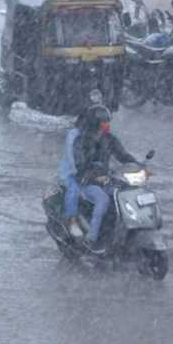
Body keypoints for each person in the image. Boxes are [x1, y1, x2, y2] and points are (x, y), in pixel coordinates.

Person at [73, 105, 138, 253]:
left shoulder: (110, 139)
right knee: (102, 199)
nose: (108, 125)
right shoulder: (81, 141)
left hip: (106, 180)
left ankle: (121, 235)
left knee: (127, 195)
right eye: (105, 122)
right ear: (95, 123)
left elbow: (123, 155)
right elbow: (79, 164)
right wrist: (93, 172)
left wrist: (137, 164)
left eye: (108, 121)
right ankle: (92, 238)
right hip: (87, 182)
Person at [59, 110, 87, 237]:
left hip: (91, 171)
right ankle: (72, 221)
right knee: (74, 190)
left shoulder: (98, 135)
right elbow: (71, 155)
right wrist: (76, 169)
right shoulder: (74, 135)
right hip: (71, 171)